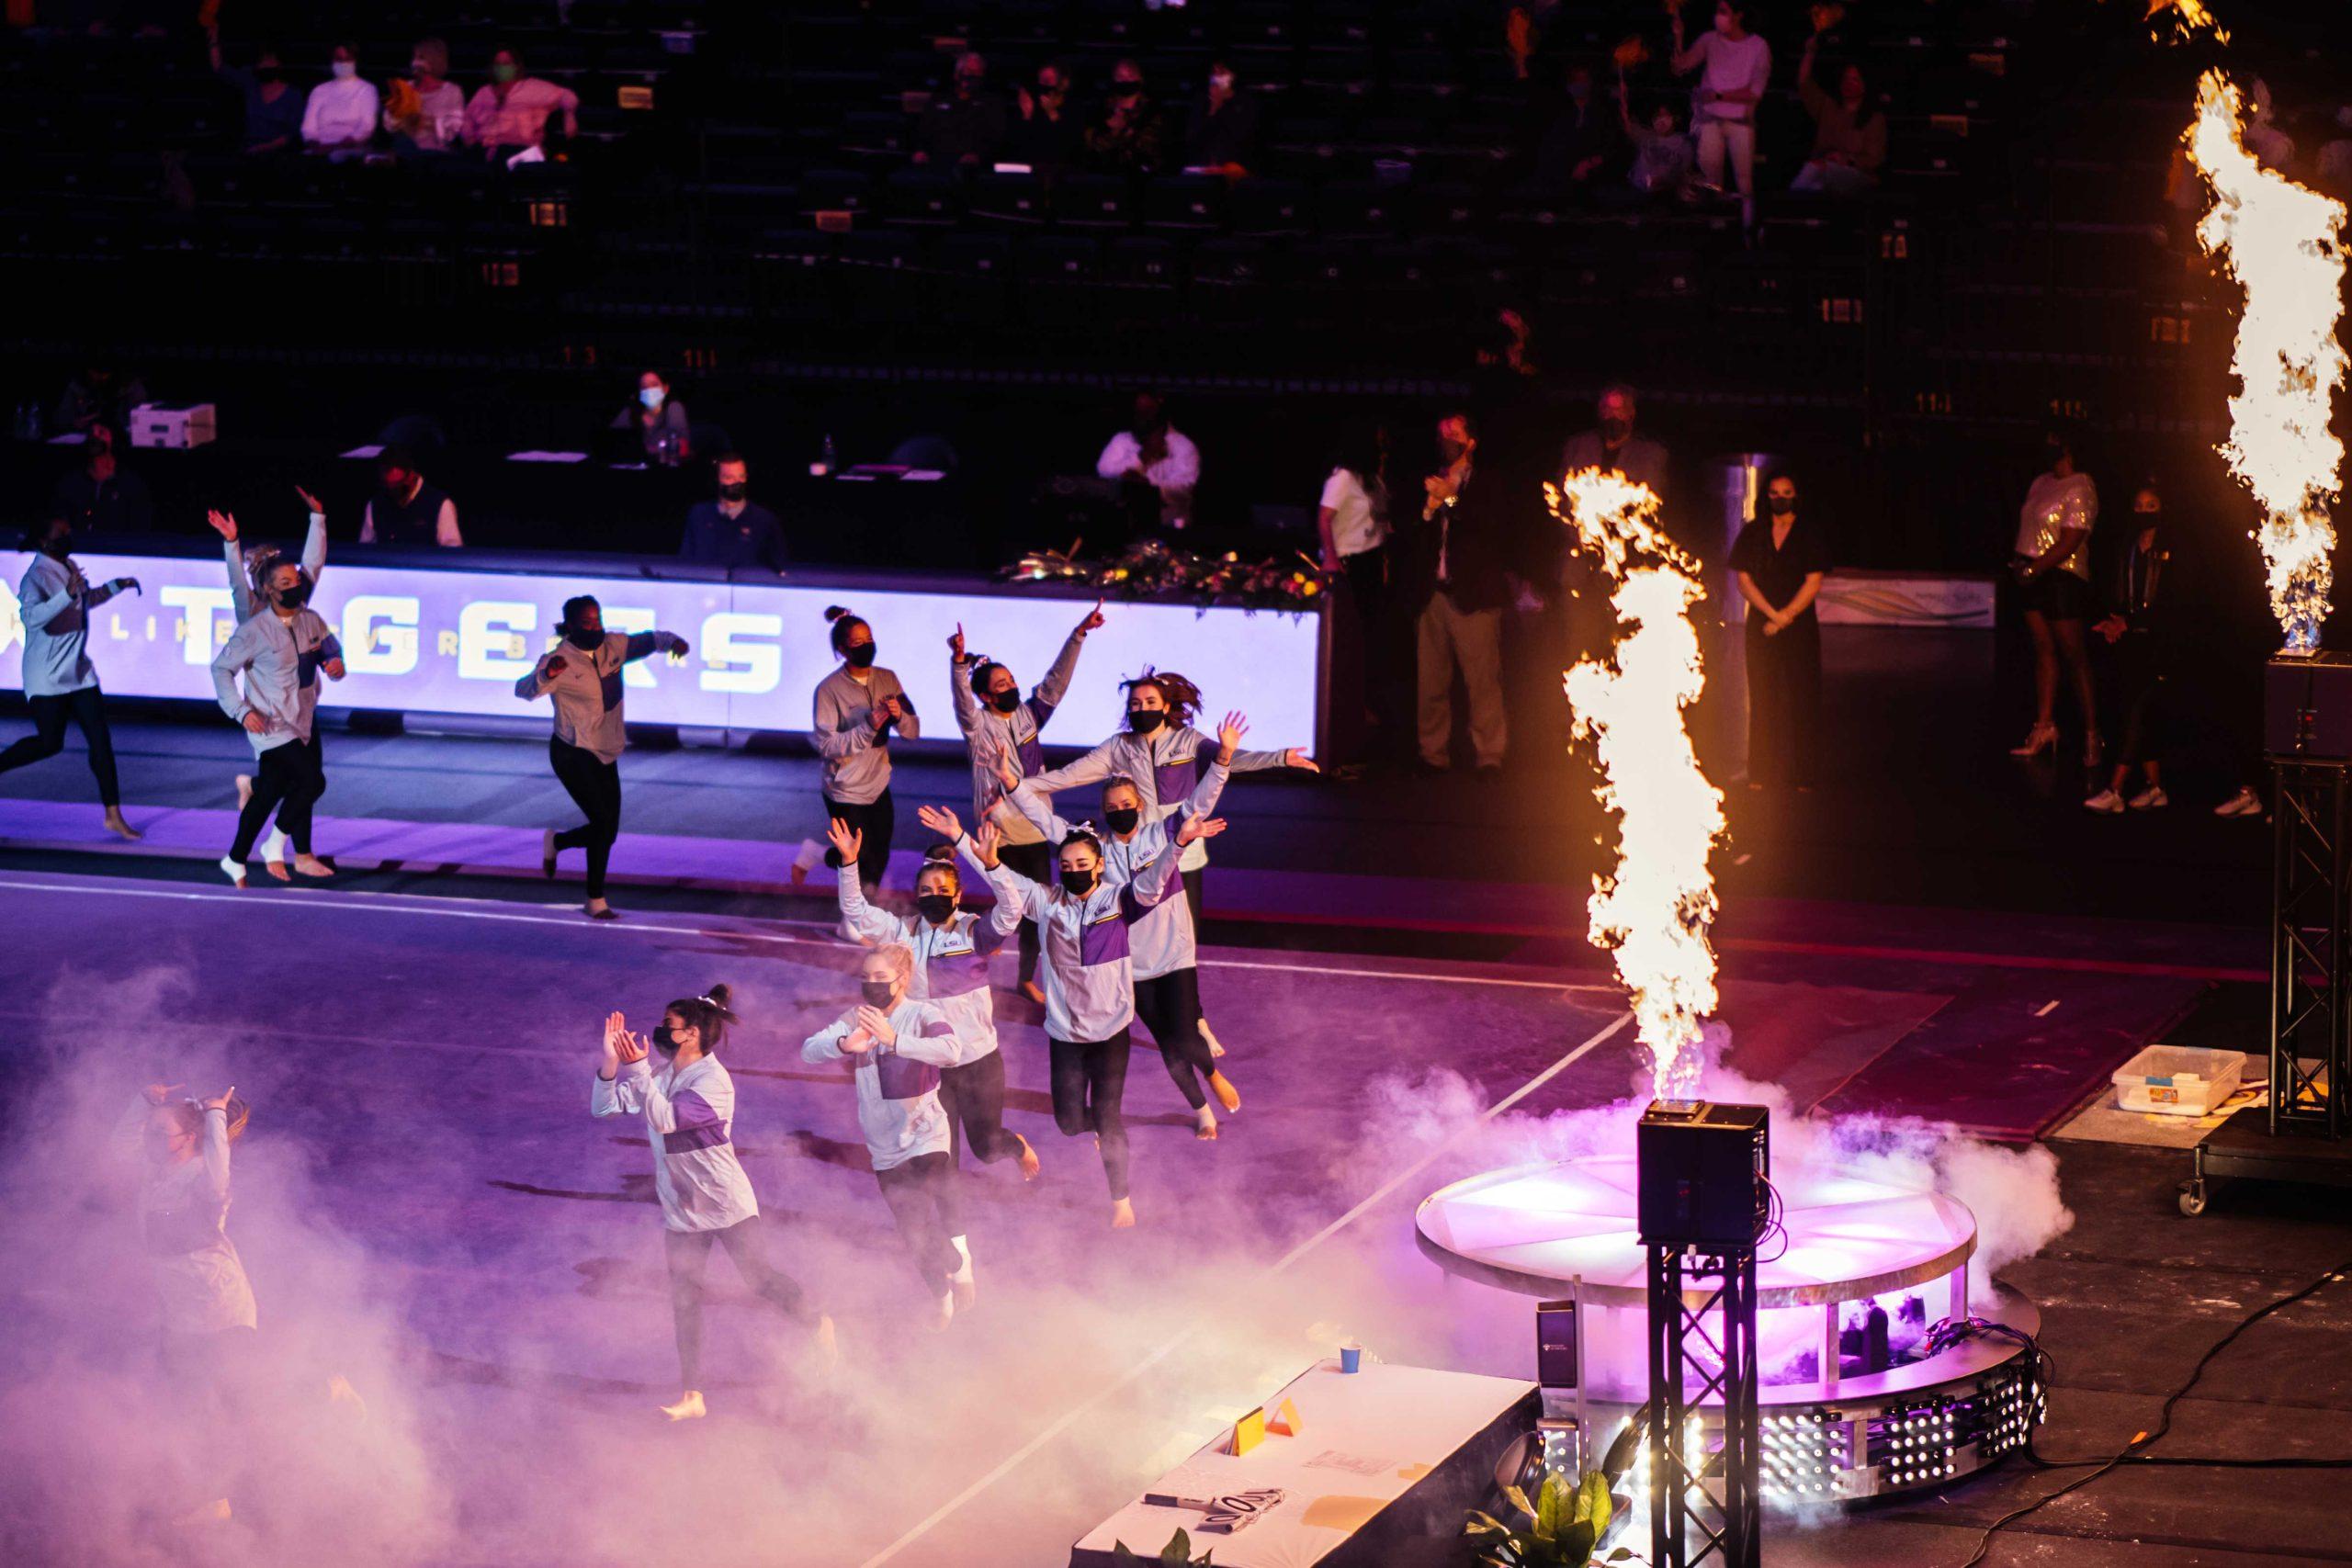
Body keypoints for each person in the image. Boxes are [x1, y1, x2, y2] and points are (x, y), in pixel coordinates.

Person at [945, 801, 1216, 1227]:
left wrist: (1179, 842)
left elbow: (1154, 880)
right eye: (1066, 863)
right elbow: (1005, 882)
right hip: (1066, 1037)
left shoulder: (1120, 901)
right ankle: (1099, 1130)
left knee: (1109, 1117)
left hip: (1111, 1034)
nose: (1072, 869)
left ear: (1099, 864)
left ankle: (1120, 1198)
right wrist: (965, 841)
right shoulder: (1047, 903)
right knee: (1070, 1122)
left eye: (1082, 862)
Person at [594, 987, 835, 1417]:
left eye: (668, 1026)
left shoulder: (713, 1082)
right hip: (682, 1209)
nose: (659, 1032)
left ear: (690, 1034)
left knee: (758, 1279)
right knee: (684, 1297)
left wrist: (638, 1070)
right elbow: (605, 1109)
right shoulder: (664, 1075)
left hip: (726, 1205)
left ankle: (818, 1322)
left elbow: (666, 1120)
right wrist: (613, 1062)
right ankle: (693, 1396)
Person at [1012, 714, 1247, 1139]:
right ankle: (1202, 1111)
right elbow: (1046, 823)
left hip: (1173, 956)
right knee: (1168, 1046)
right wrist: (1013, 787)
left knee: (1185, 1036)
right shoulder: (1093, 849)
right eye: (1112, 808)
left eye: (1127, 805)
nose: (1120, 812)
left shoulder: (1161, 834)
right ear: (1103, 812)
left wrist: (1224, 756)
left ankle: (1211, 1073)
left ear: (1140, 805)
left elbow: (1199, 803)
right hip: (1128, 965)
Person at [832, 821, 1039, 1179]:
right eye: (926, 890)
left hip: (978, 1061)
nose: (934, 895)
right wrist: (848, 864)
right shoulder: (902, 933)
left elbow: (1011, 909)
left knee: (987, 1147)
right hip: (928, 1065)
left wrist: (990, 864)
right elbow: (856, 912)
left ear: (958, 896)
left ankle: (1015, 1146)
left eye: (943, 889)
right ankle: (949, 1231)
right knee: (942, 1159)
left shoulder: (974, 932)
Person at [801, 948, 976, 1325]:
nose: (871, 985)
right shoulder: (855, 1018)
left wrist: (896, 1041)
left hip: (927, 1135)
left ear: (902, 979)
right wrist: (844, 1045)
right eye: (866, 977)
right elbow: (808, 1050)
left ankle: (961, 1264)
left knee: (932, 1205)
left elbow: (951, 1049)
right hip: (884, 1148)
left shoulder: (924, 1014)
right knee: (915, 1234)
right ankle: (941, 1293)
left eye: (880, 978)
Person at [111, 1081, 256, 1523]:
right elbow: (119, 1147)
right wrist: (143, 1101)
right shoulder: (153, 1172)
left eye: (160, 1133)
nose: (151, 1141)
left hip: (217, 1308)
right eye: (151, 1133)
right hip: (181, 1314)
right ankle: (208, 1496)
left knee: (223, 1405)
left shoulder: (200, 1180)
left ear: (188, 1139)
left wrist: (215, 1115)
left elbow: (218, 1167)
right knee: (190, 1403)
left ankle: (213, 1500)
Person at [948, 601, 1105, 1004]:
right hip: (996, 830)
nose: (1011, 687)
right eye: (1000, 685)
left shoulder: (1029, 715)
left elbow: (1056, 682)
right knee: (1003, 901)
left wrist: (1078, 635)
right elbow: (963, 704)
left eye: (1011, 680)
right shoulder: (978, 724)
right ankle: (970, 963)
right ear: (985, 694)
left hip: (1034, 826)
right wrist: (959, 663)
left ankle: (1025, 976)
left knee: (1038, 908)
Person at [515, 595, 692, 919]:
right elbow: (523, 691)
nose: (595, 627)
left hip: (607, 750)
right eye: (587, 623)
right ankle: (595, 900)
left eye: (597, 619)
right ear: (570, 626)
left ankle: (559, 844)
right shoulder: (559, 658)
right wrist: (546, 676)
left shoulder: (615, 646)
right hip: (572, 752)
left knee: (608, 830)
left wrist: (674, 642)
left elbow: (652, 639)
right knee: (603, 824)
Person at [209, 490, 329, 877]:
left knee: (288, 785)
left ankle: (244, 855)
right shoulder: (252, 615)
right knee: (308, 780)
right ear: (267, 586)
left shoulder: (299, 604)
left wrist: (317, 518)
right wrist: (231, 543)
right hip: (271, 713)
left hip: (303, 708)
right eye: (282, 578)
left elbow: (313, 563)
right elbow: (234, 581)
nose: (295, 582)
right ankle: (290, 849)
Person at [2, 517, 141, 840]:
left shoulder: (68, 564)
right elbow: (32, 618)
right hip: (47, 676)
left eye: (68, 532)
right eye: (61, 534)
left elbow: (83, 601)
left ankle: (113, 814)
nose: (68, 536)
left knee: (101, 742)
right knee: (50, 743)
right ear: (43, 542)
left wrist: (115, 586)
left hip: (79, 672)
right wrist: (66, 594)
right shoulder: (34, 577)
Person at [1404, 412, 1512, 775]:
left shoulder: (1488, 481)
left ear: (1471, 442)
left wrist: (1451, 500)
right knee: (1431, 681)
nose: (1446, 439)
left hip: (1473, 596)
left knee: (1482, 681)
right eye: (1442, 434)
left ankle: (1489, 755)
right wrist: (1428, 509)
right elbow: (1416, 533)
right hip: (1433, 593)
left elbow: (1488, 527)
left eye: (1454, 433)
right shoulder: (1434, 479)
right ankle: (1432, 754)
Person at [1730, 472, 1829, 790]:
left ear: (1796, 495)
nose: (1780, 498)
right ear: (1766, 496)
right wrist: (1771, 615)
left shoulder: (1809, 532)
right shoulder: (1753, 532)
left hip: (1799, 628)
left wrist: (1785, 617)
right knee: (1763, 700)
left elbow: (1813, 581)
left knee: (1804, 699)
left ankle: (1805, 775)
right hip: (1761, 627)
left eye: (1786, 493)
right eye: (1774, 493)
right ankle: (1760, 772)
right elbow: (1743, 581)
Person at [2008, 430, 2100, 765]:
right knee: (2043, 651)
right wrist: (2022, 564)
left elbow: (2071, 540)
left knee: (2074, 657)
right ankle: (2044, 727)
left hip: (2062, 578)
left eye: (2054, 442)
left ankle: (2093, 734)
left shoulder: (2081, 485)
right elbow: (2029, 528)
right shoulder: (2040, 481)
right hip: (2032, 573)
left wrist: (2037, 569)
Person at [814, 606, 917, 897]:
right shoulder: (828, 689)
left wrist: (900, 718)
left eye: (869, 638)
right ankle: (853, 918)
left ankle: (863, 905)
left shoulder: (888, 678)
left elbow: (914, 731)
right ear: (843, 649)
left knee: (879, 851)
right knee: (857, 856)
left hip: (878, 781)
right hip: (844, 787)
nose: (867, 646)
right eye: (858, 642)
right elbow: (826, 745)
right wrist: (868, 726)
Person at [2086, 487, 2175, 813]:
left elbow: (2172, 601)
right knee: (2136, 712)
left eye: (2151, 505)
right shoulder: (2128, 547)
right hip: (2132, 642)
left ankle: (2115, 789)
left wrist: (2133, 620)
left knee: (2138, 712)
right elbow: (2121, 596)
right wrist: (2115, 621)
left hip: (2161, 643)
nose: (2144, 511)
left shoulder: (2172, 550)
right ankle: (2155, 787)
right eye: (2138, 505)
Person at [1319, 431, 1396, 761]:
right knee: (1350, 638)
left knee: (1370, 637)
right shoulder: (1343, 478)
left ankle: (1366, 706)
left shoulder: (1372, 479)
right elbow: (1324, 518)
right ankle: (1348, 711)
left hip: (1372, 560)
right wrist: (1331, 558)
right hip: (1349, 560)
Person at [1670, 0, 1770, 229]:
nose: (1718, 16)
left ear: (1738, 15)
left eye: (1723, 12)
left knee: (1745, 184)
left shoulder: (1758, 46)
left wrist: (1718, 96)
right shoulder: (1709, 40)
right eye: (1717, 11)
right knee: (1711, 181)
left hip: (1741, 123)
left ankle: (1749, 232)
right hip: (1711, 121)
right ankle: (1716, 229)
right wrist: (1679, 36)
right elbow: (1681, 67)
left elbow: (1755, 92)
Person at [1792, 26, 1885, 196]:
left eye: (1855, 80)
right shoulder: (1828, 106)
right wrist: (1810, 52)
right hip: (1823, 168)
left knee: (1817, 170)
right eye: (1846, 79)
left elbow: (1874, 158)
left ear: (1865, 84)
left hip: (1858, 175)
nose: (1849, 83)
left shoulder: (1874, 118)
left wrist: (1846, 159)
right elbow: (1804, 83)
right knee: (1815, 186)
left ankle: (1788, 204)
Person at [1095, 391, 1200, 533]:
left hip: (1169, 527)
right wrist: (1143, 456)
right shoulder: (1122, 440)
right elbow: (1104, 471)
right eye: (1139, 412)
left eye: (1148, 412)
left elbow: (1184, 486)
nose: (1142, 418)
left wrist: (1148, 486)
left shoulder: (1182, 445)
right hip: (1127, 526)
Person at [461, 48, 579, 161]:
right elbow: (468, 120)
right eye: (498, 64)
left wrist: (569, 114)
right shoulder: (484, 92)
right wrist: (471, 142)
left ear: (516, 66)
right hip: (490, 152)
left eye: (506, 64)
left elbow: (567, 96)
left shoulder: (533, 88)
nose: (502, 68)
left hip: (523, 152)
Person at [679, 453, 786, 570]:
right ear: (717, 480)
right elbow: (685, 564)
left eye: (741, 477)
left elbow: (779, 569)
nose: (737, 483)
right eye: (729, 478)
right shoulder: (699, 515)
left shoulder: (764, 520)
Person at [1533, 62, 1620, 197]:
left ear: (1590, 83)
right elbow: (1552, 144)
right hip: (1564, 168)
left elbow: (1610, 146)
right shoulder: (1559, 113)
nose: (1580, 84)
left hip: (1592, 167)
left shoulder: (1602, 113)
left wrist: (1589, 163)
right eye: (1576, 80)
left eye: (1584, 80)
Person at [49, 434, 154, 535]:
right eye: (91, 433)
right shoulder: (71, 483)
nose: (95, 436)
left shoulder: (131, 485)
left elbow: (140, 527)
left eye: (101, 432)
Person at [914, 51, 1005, 168]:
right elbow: (923, 129)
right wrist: (921, 151)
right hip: (937, 160)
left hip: (974, 164)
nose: (973, 76)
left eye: (978, 72)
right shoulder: (940, 98)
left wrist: (979, 155)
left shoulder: (991, 102)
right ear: (957, 74)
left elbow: (996, 138)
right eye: (969, 71)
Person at [358, 445, 461, 547]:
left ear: (412, 476)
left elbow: (452, 551)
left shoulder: (439, 504)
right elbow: (365, 550)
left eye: (398, 485)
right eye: (388, 486)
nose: (394, 491)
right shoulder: (375, 505)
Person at [1618, 75, 1696, 201]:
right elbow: (1625, 122)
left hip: (1669, 194)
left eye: (1665, 115)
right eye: (1657, 116)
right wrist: (1622, 97)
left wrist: (1665, 182)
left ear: (1675, 117)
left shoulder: (1683, 143)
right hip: (1639, 192)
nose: (1661, 120)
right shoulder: (1645, 136)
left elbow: (1683, 171)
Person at [1084, 59, 1165, 175]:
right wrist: (1113, 132)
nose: (1125, 80)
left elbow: (1151, 150)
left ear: (1140, 80)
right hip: (1105, 176)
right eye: (1120, 76)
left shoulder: (1153, 111)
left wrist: (1125, 133)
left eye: (1131, 76)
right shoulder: (1100, 110)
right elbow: (1092, 150)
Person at [383, 39, 464, 153]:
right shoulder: (404, 88)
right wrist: (401, 120)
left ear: (434, 61)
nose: (415, 63)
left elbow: (453, 129)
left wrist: (429, 122)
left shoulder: (452, 91)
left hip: (436, 154)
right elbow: (388, 123)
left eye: (421, 58)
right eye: (414, 58)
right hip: (403, 152)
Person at [300, 42, 378, 158]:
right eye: (338, 59)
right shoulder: (319, 90)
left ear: (355, 61)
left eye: (347, 59)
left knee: (337, 157)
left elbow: (367, 126)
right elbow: (308, 126)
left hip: (351, 149)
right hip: (319, 148)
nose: (343, 63)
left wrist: (336, 147)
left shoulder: (366, 89)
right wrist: (315, 145)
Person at [1182, 62, 1259, 176]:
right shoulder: (1202, 103)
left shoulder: (1245, 103)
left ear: (1232, 76)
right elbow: (1193, 138)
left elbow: (1242, 138)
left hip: (1235, 165)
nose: (1217, 77)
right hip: (1203, 165)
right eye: (1214, 73)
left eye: (1222, 72)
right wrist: (1213, 110)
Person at [1007, 62, 1082, 174]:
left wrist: (1052, 113)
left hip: (1061, 170)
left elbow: (1071, 143)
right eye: (1042, 79)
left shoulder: (1072, 106)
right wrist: (1026, 115)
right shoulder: (1032, 104)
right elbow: (1020, 144)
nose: (1045, 83)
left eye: (1050, 79)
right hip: (1033, 168)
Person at [613, 370, 691, 466]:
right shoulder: (631, 411)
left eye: (654, 385)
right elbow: (611, 439)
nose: (649, 390)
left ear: (665, 388)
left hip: (664, 468)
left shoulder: (674, 407)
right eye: (644, 387)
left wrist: (650, 450)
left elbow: (683, 446)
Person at [233, 49, 304, 155]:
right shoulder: (252, 87)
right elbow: (219, 67)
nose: (266, 65)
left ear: (279, 64)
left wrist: (263, 148)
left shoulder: (293, 95)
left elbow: (292, 133)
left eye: (270, 61)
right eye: (262, 62)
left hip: (279, 155)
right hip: (248, 151)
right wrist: (213, 40)